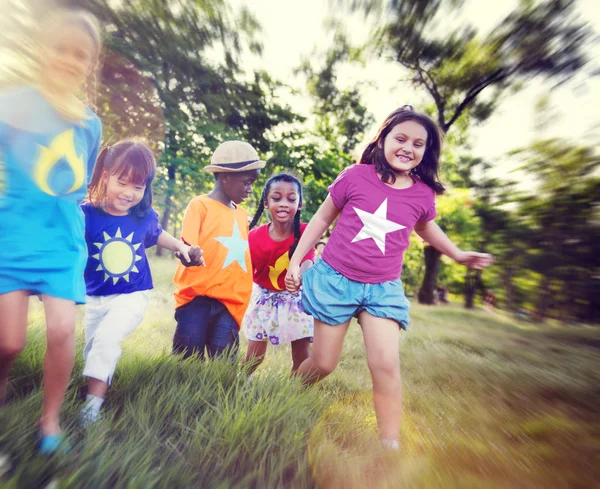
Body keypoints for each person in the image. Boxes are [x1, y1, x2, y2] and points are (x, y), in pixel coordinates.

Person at [285, 105, 493, 450]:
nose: (408, 148)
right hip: (337, 279)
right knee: (323, 363)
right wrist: (296, 261)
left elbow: (427, 228)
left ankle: (388, 444)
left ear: (427, 152)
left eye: (418, 143)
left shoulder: (422, 194)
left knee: (385, 364)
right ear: (382, 139)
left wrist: (458, 254)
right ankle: (292, 388)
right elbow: (322, 220)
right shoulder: (355, 176)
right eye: (400, 138)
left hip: (382, 289)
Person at [0, 8, 103, 453]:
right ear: (43, 51)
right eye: (60, 48)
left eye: (79, 54)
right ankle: (3, 376)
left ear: (89, 64)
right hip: (13, 237)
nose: (67, 59)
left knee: (62, 330)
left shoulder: (90, 122)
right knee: (10, 341)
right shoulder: (13, 103)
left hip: (62, 242)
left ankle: (50, 419)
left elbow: (81, 182)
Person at [79, 140, 203, 425]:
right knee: (93, 347)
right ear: (105, 175)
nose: (129, 193)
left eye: (138, 186)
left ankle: (91, 410)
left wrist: (181, 248)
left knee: (107, 340)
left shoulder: (142, 216)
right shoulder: (86, 214)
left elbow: (159, 234)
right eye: (123, 183)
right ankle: (90, 389)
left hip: (132, 295)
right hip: (96, 296)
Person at [172, 141, 264, 359]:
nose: (250, 189)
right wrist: (189, 255)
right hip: (196, 300)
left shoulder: (241, 215)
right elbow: (187, 246)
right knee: (187, 361)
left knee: (224, 366)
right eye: (247, 182)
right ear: (225, 177)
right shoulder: (199, 205)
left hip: (230, 303)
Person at [242, 173, 314, 375]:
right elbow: (247, 270)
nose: (284, 204)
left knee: (301, 355)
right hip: (264, 299)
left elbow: (308, 260)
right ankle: (239, 383)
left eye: (291, 199)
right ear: (266, 202)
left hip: (294, 300)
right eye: (276, 198)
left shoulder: (305, 232)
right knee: (254, 356)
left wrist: (299, 277)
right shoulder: (254, 237)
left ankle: (295, 393)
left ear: (299, 205)